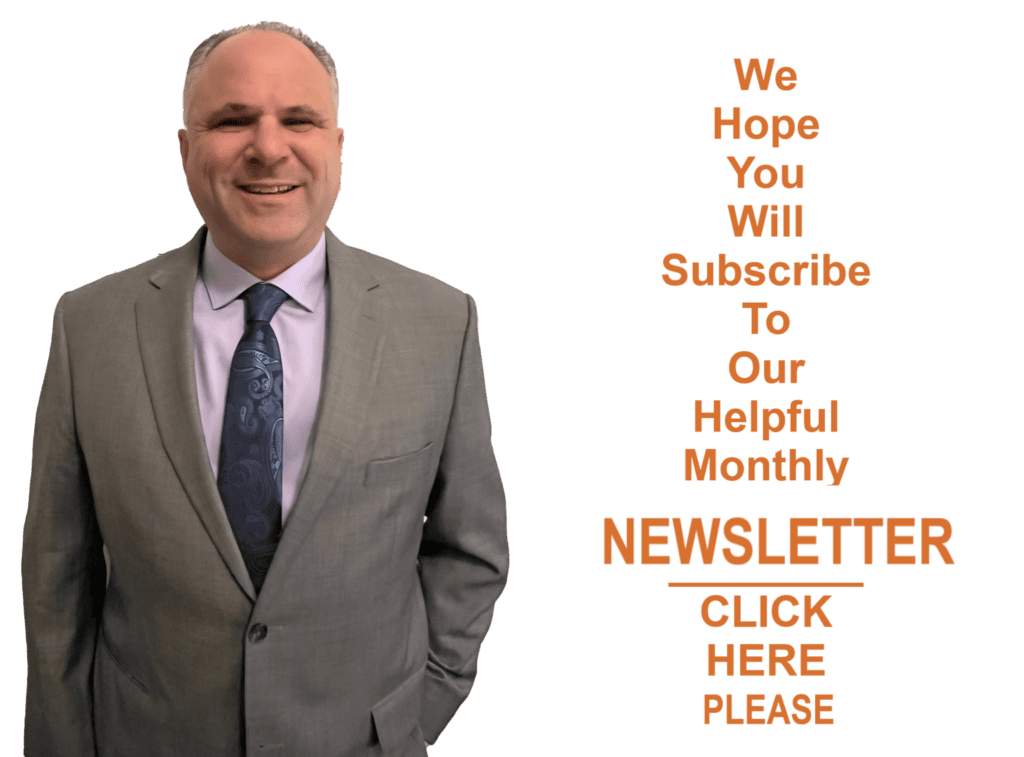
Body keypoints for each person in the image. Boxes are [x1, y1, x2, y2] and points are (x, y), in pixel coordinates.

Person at [22, 21, 508, 757]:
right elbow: (56, 574)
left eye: (299, 119)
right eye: (232, 119)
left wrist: (413, 713)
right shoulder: (87, 324)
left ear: (339, 149)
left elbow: (471, 549)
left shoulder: (442, 321)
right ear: (185, 150)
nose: (268, 147)